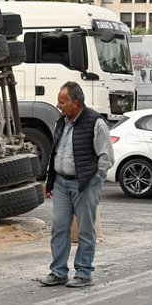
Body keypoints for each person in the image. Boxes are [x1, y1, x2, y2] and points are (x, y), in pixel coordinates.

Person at [38, 81, 114, 288]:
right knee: (59, 227)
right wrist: (50, 180)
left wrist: (94, 181)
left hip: (85, 184)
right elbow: (56, 151)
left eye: (62, 102)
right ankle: (58, 272)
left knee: (85, 231)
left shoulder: (95, 123)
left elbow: (106, 157)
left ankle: (83, 273)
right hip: (62, 183)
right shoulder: (61, 121)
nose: (58, 105)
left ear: (76, 103)